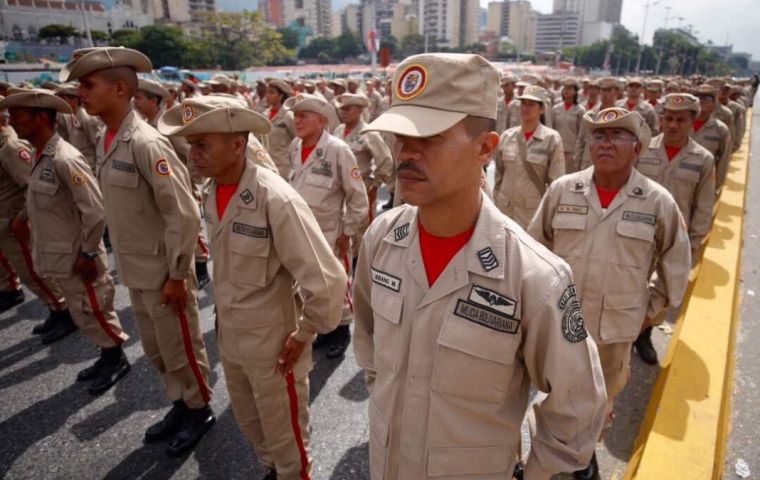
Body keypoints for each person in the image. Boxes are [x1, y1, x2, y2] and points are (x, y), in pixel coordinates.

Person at [356, 52, 606, 480]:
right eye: (400, 137)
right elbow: (369, 344)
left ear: (485, 149)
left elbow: (577, 408)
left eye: (430, 137)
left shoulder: (535, 276)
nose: (407, 153)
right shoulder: (382, 239)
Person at [159, 95, 347, 480]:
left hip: (275, 344)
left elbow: (327, 280)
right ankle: (273, 471)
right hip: (232, 335)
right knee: (250, 423)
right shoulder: (212, 191)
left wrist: (304, 333)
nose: (193, 154)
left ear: (237, 144)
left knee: (287, 434)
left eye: (202, 144)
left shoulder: (274, 197)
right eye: (191, 145)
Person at [62, 47, 214, 456]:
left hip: (165, 274)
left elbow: (182, 214)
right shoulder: (108, 137)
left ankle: (199, 411)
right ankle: (180, 404)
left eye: (88, 85)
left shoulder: (148, 143)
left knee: (182, 348)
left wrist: (179, 274)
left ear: (120, 88)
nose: (81, 93)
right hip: (137, 269)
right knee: (157, 350)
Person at [528, 107, 691, 478]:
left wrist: (650, 310)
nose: (606, 143)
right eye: (599, 136)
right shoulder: (563, 189)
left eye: (617, 136)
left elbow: (675, 262)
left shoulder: (656, 201)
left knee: (601, 401)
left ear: (637, 149)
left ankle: (584, 460)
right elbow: (534, 247)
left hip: (615, 329)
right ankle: (555, 459)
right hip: (558, 321)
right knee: (553, 396)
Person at [3, 88, 130, 394]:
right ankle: (106, 355)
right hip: (60, 252)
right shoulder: (40, 155)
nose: (12, 121)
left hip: (77, 255)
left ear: (41, 118)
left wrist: (88, 254)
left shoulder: (65, 158)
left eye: (18, 115)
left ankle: (116, 358)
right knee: (81, 311)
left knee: (95, 309)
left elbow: (95, 211)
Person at [633, 94, 716, 365]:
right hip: (637, 233)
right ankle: (628, 333)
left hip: (674, 242)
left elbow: (703, 208)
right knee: (633, 287)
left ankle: (643, 334)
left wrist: (692, 247)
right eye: (668, 118)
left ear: (692, 121)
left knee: (663, 293)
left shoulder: (702, 159)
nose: (672, 125)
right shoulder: (642, 150)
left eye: (680, 119)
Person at [286, 93, 369, 359]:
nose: (297, 120)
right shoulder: (295, 148)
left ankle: (341, 331)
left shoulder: (338, 150)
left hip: (331, 232)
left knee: (338, 281)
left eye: (303, 116)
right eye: (295, 115)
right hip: (300, 230)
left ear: (320, 120)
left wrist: (347, 232)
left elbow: (358, 197)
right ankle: (323, 328)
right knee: (310, 283)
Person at [0, 96, 73, 340]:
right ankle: (55, 308)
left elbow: (31, 186)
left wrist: (22, 218)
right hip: (7, 223)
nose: (12, 120)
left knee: (34, 271)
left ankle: (63, 309)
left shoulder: (10, 147)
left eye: (15, 115)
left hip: (15, 223)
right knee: (29, 272)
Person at [134, 78, 212, 288]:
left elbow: (192, 154)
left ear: (153, 101)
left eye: (140, 98)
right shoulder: (148, 125)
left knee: (191, 224)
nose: (136, 102)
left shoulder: (168, 127)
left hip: (182, 182)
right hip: (165, 183)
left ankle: (202, 264)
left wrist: (190, 180)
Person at [494, 84, 565, 228]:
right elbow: (499, 175)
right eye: (523, 103)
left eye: (531, 104)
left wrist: (549, 216)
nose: (525, 108)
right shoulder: (507, 136)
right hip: (505, 211)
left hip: (533, 215)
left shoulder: (551, 139)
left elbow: (556, 182)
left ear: (542, 109)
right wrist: (497, 200)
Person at [333, 93, 394, 259]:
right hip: (338, 191)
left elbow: (385, 161)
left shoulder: (369, 133)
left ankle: (363, 268)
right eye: (341, 109)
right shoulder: (338, 131)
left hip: (361, 190)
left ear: (359, 110)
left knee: (362, 233)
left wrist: (375, 184)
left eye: (347, 109)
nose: (343, 112)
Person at [691, 84, 732, 192]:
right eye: (698, 97)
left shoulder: (721, 129)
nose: (701, 101)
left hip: (705, 181)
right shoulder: (682, 123)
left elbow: (723, 160)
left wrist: (716, 186)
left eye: (706, 98)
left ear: (714, 103)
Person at [54, 82, 103, 171]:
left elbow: (98, 145)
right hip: (78, 164)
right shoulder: (71, 117)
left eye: (64, 100)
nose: (60, 103)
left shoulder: (86, 119)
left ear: (74, 101)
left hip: (89, 166)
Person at [576, 77, 621, 170]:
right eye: (603, 90)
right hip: (588, 163)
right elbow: (580, 142)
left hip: (612, 164)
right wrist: (578, 162)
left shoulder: (622, 116)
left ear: (616, 92)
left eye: (608, 90)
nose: (605, 93)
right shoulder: (590, 115)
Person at [550, 78, 586, 172]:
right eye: (565, 88)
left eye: (570, 88)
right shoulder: (556, 109)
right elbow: (551, 129)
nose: (566, 91)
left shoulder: (580, 110)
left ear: (575, 92)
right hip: (557, 149)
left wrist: (578, 153)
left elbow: (581, 133)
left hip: (572, 151)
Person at [265, 79, 296, 179]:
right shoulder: (265, 114)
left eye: (272, 93)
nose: (268, 96)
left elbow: (297, 140)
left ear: (281, 96)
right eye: (267, 92)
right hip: (266, 165)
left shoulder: (288, 115)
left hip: (283, 169)